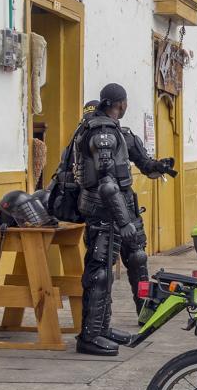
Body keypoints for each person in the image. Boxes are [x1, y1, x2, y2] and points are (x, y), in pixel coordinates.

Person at [73, 83, 177, 355]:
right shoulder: (101, 133)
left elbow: (143, 163)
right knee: (100, 273)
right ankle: (91, 335)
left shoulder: (120, 132)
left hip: (123, 207)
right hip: (104, 212)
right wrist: (123, 221)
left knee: (136, 258)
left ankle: (139, 312)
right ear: (121, 103)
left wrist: (159, 166)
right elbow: (107, 185)